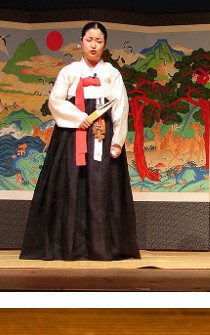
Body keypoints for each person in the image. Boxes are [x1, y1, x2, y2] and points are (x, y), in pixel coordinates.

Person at [20, 21, 139, 260]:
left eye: (99, 41)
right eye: (89, 40)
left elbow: (120, 108)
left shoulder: (111, 73)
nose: (93, 45)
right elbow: (56, 101)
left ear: (105, 44)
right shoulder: (70, 71)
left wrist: (117, 142)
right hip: (72, 136)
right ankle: (68, 246)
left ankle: (101, 246)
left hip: (101, 135)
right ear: (81, 42)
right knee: (70, 186)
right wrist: (79, 118)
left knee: (100, 187)